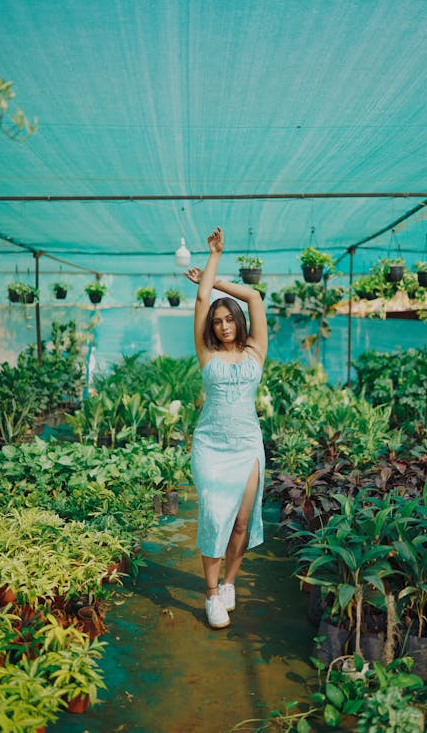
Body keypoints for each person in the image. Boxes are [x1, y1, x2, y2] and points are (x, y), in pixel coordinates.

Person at [184, 226, 268, 629]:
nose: (222, 325)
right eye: (216, 321)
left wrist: (213, 279)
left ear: (237, 319)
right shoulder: (206, 354)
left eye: (227, 319)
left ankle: (230, 583)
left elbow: (253, 296)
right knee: (216, 516)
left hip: (248, 445)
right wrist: (211, 260)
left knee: (241, 522)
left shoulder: (255, 350)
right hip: (211, 446)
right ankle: (212, 594)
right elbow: (201, 301)